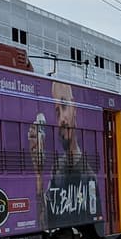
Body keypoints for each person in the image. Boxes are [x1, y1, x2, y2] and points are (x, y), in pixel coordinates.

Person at [44, 81, 99, 227]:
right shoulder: (56, 169)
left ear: (74, 107)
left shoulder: (90, 173)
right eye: (57, 112)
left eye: (64, 106)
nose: (62, 119)